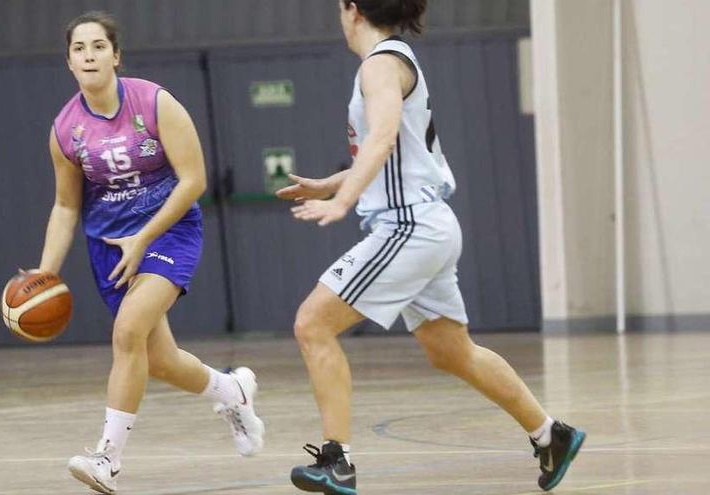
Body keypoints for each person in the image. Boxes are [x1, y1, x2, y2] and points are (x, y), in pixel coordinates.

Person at [277, 1, 585, 493]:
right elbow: (399, 153)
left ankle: (337, 461)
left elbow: (380, 140)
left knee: (312, 324)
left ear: (352, 9)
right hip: (430, 226)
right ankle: (551, 434)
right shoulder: (393, 61)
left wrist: (343, 202)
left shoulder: (379, 65)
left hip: (409, 228)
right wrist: (330, 185)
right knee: (451, 352)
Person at [35, 12, 264, 494]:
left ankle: (107, 458)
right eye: (80, 49)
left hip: (169, 232)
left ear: (116, 55)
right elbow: (64, 205)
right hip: (110, 248)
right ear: (69, 62)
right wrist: (44, 275)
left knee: (128, 331)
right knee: (158, 360)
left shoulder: (155, 103)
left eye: (99, 46)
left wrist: (144, 237)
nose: (90, 55)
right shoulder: (65, 130)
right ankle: (233, 391)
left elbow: (194, 181)